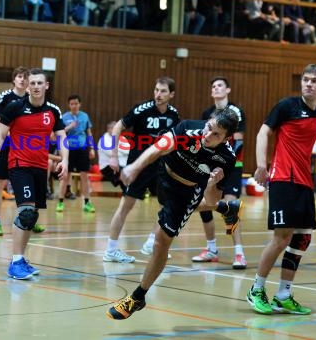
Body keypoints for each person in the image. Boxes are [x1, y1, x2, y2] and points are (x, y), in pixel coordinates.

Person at [106, 109, 241, 319]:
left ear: (226, 138)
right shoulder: (188, 128)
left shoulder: (225, 159)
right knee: (176, 203)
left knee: (161, 241)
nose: (208, 135)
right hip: (163, 173)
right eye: (208, 128)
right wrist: (134, 167)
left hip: (186, 191)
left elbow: (211, 199)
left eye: (216, 135)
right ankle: (228, 209)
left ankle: (138, 297)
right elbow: (158, 148)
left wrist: (213, 183)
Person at [246, 64, 316, 316]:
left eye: (314, 81)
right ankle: (256, 289)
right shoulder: (287, 106)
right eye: (305, 80)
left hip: (305, 182)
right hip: (283, 178)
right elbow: (263, 132)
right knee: (281, 237)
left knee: (302, 238)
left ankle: (283, 294)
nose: (308, 84)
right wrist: (261, 165)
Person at [0, 68, 69, 280]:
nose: (36, 87)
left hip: (40, 167)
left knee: (32, 217)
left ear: (46, 86)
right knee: (26, 212)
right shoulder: (14, 107)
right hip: (18, 164)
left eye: (40, 83)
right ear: (27, 85)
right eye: (33, 83)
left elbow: (61, 137)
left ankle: (21, 259)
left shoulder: (53, 111)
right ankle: (15, 261)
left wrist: (65, 161)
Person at [102, 77, 180, 263]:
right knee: (126, 207)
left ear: (171, 94)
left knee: (165, 206)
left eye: (162, 91)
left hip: (161, 167)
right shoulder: (142, 109)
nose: (158, 94)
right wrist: (113, 156)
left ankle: (151, 242)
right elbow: (118, 127)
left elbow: (175, 140)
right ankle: (110, 250)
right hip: (138, 167)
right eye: (156, 90)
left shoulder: (174, 115)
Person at [192, 76, 247, 269]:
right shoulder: (208, 113)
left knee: (231, 206)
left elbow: (238, 142)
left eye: (219, 85)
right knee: (204, 203)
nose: (215, 88)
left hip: (231, 165)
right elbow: (204, 139)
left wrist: (225, 162)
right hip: (209, 165)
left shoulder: (235, 112)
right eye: (213, 86)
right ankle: (211, 248)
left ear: (228, 90)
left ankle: (239, 253)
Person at [0, 67, 46, 236]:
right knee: (0, 183)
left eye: (24, 77)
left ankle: (30, 217)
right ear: (14, 80)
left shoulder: (36, 99)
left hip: (29, 149)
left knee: (32, 184)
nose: (22, 80)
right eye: (19, 77)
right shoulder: (6, 97)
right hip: (9, 145)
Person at [56, 95, 96, 213]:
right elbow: (60, 133)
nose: (74, 106)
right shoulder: (64, 117)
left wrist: (92, 148)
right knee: (65, 176)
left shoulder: (84, 116)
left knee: (84, 176)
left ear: (79, 104)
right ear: (69, 105)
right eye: (72, 104)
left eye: (76, 103)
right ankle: (60, 202)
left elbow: (89, 133)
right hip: (68, 150)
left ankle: (87, 203)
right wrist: (70, 126)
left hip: (82, 150)